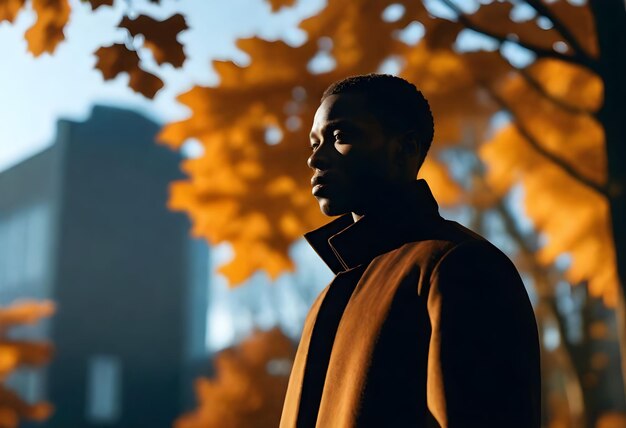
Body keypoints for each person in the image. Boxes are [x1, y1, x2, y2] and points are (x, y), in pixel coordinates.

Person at [280, 74, 541, 428]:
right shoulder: (332, 295)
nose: (316, 159)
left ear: (404, 149)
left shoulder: (459, 267)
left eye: (340, 136)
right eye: (315, 142)